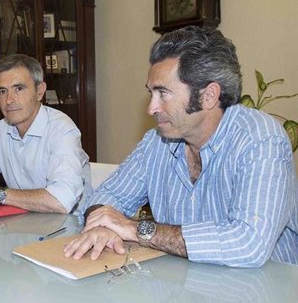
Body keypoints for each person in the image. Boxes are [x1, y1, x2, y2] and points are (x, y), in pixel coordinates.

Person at [64, 26, 297, 267]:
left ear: (208, 96)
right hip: (185, 289)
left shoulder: (260, 139)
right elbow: (106, 196)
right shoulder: (156, 142)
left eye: (163, 93)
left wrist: (136, 230)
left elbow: (248, 244)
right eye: (151, 93)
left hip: (261, 294)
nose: (151, 108)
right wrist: (102, 225)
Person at [0, 53, 91, 214]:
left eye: (18, 88)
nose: (9, 100)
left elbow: (61, 200)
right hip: (21, 224)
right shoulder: (1, 129)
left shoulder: (62, 129)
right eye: (2, 91)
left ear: (40, 91)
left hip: (70, 228)